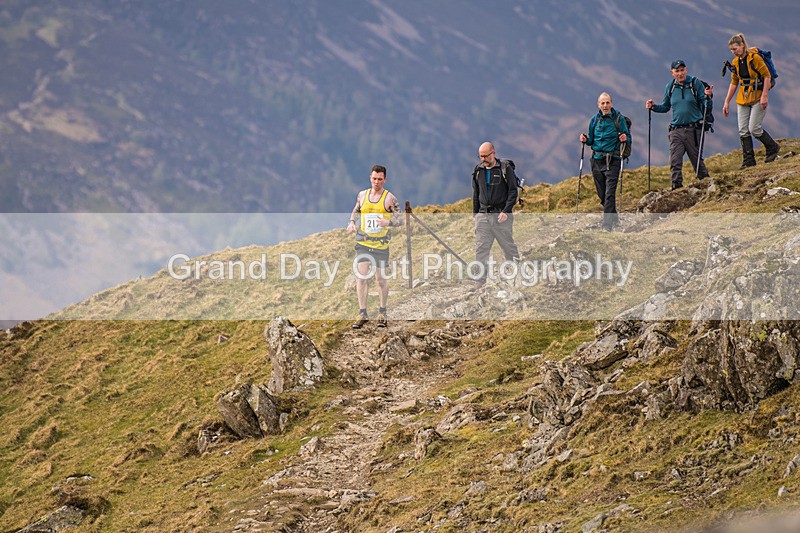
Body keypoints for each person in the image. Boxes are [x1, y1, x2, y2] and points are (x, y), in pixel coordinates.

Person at [346, 165, 401, 329]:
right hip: (363, 242)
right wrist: (351, 223)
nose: (376, 182)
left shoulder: (389, 198)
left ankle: (382, 311)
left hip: (380, 245)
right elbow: (356, 210)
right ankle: (362, 313)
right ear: (370, 178)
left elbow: (400, 219)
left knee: (380, 279)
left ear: (384, 180)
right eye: (374, 178)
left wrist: (387, 222)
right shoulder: (362, 195)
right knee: (361, 277)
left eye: (379, 179)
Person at [646, 59, 713, 190]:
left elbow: (706, 107)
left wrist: (708, 97)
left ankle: (706, 183)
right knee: (675, 160)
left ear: (686, 70)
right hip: (676, 130)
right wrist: (653, 107)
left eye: (682, 70)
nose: (680, 73)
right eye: (677, 71)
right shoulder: (670, 87)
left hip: (694, 129)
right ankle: (676, 186)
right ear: (672, 73)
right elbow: (665, 107)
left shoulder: (695, 83)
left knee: (696, 160)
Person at [722, 33, 779, 168]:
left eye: (735, 49)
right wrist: (727, 101)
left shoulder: (755, 58)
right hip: (743, 97)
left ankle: (772, 147)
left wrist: (764, 95)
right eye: (731, 50)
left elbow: (766, 76)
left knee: (754, 128)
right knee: (743, 129)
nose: (733, 52)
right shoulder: (736, 62)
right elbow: (734, 82)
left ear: (742, 46)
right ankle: (748, 160)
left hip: (758, 95)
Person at [472, 142, 520, 285]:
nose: (483, 159)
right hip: (483, 216)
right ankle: (479, 282)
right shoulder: (478, 170)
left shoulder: (505, 168)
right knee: (481, 249)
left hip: (501, 216)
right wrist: (476, 215)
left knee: (508, 247)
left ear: (493, 153)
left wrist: (506, 211)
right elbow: (476, 193)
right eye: (481, 156)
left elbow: (513, 192)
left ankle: (516, 275)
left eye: (486, 156)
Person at [579, 92, 630, 230]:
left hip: (612, 160)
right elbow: (591, 140)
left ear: (611, 103)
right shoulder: (594, 120)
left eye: (607, 103)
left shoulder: (619, 119)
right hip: (596, 160)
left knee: (609, 194)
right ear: (598, 105)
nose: (605, 106)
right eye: (603, 103)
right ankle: (613, 217)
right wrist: (585, 139)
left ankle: (607, 226)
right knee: (602, 194)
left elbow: (628, 137)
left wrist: (625, 138)